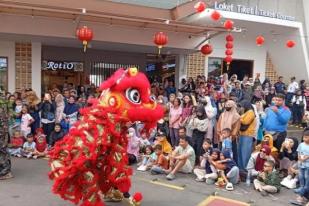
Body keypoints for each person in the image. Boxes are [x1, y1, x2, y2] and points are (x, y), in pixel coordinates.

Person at [293, 129, 309, 205]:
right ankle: (301, 187)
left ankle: (303, 191)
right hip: (301, 164)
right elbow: (298, 151)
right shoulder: (301, 144)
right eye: (304, 137)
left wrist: (305, 158)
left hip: (307, 165)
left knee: (306, 177)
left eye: (306, 137)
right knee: (301, 176)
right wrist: (299, 157)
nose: (304, 138)